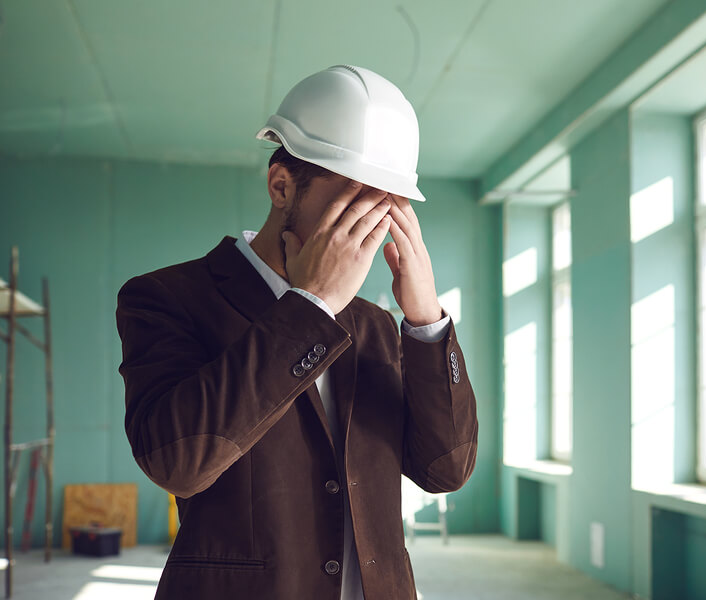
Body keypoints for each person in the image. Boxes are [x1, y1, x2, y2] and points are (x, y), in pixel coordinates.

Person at [116, 65, 478, 600]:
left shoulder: (377, 326)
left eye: (383, 208)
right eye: (352, 204)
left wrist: (426, 322)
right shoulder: (167, 298)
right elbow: (176, 463)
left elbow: (445, 470)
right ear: (282, 186)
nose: (367, 229)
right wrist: (311, 307)